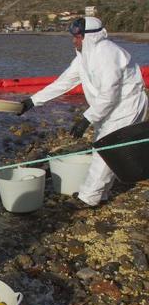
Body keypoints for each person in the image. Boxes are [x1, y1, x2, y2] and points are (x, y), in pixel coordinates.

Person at [17, 17, 148, 207]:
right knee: (105, 148)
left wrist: (86, 119)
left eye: (77, 37)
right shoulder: (84, 56)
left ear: (89, 37)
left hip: (125, 106)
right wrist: (32, 101)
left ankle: (88, 198)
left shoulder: (107, 54)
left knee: (104, 147)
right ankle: (99, 194)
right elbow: (65, 81)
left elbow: (109, 94)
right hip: (107, 108)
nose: (74, 41)